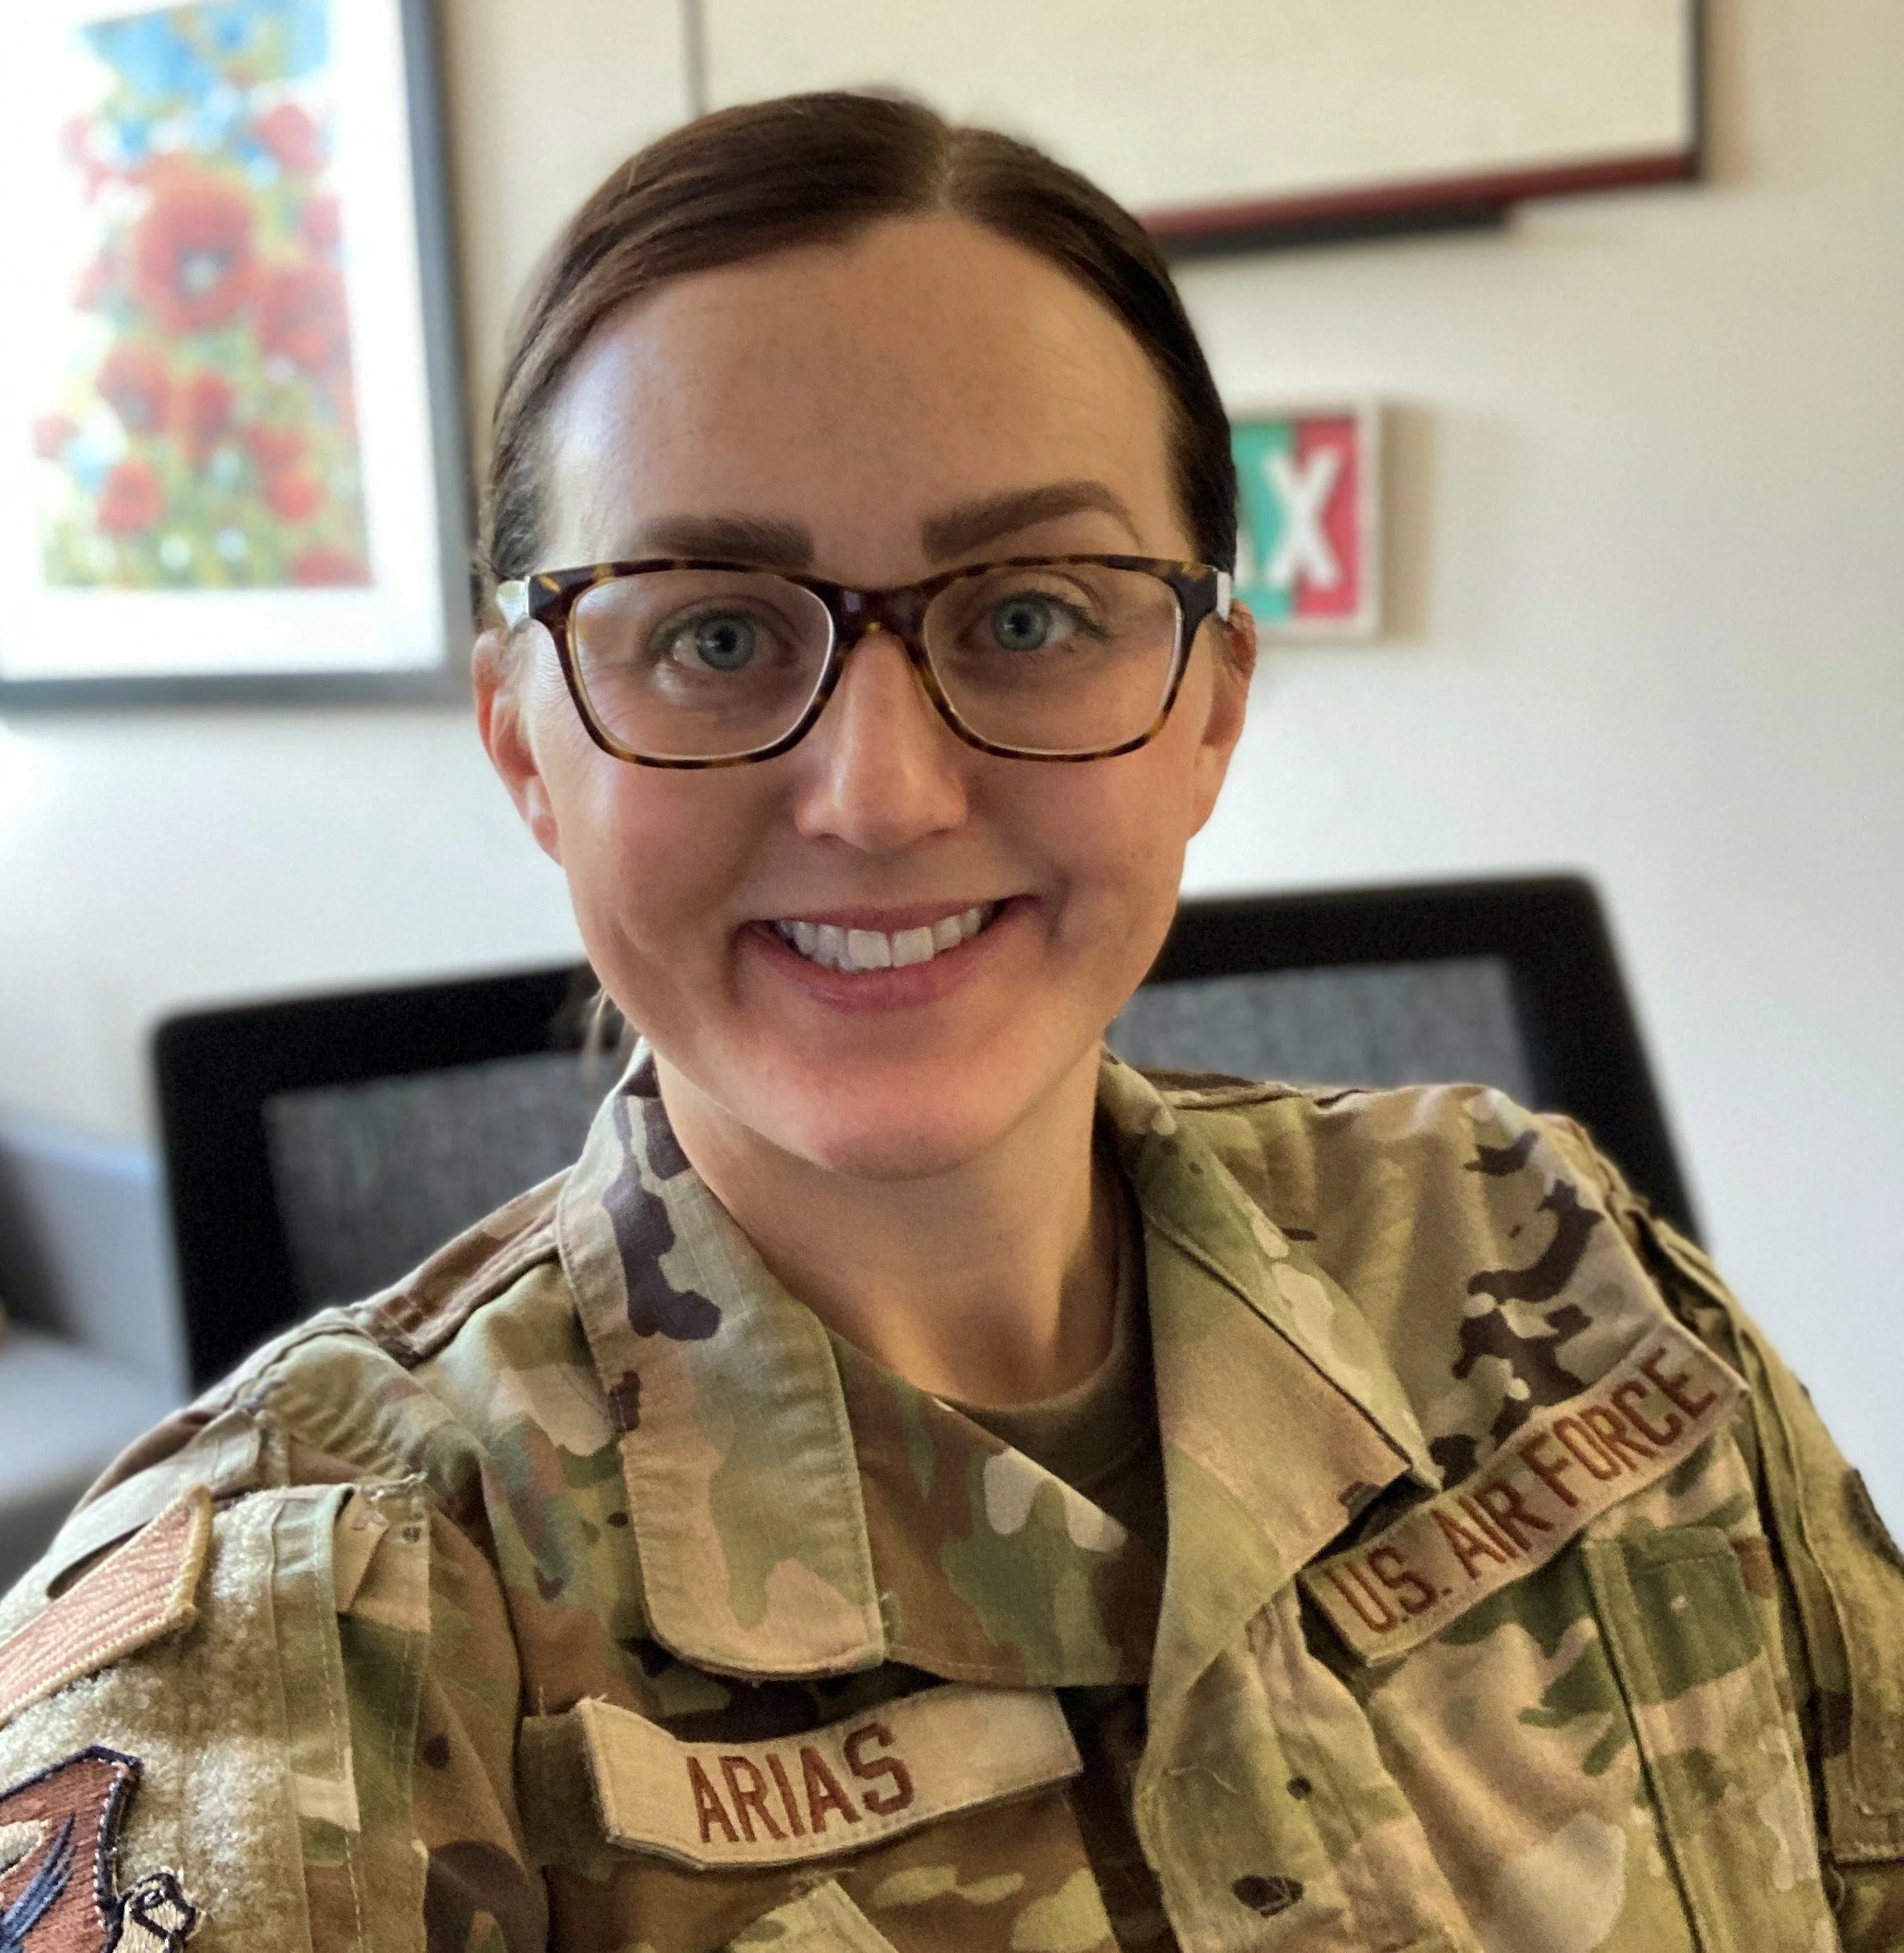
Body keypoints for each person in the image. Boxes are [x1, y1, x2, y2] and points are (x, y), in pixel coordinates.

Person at [0, 92, 1898, 1953]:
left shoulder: (1537, 1250)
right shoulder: (302, 1631)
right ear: (526, 743)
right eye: (714, 631)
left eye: (1031, 613)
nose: (880, 792)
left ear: (1210, 705)